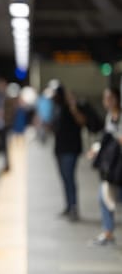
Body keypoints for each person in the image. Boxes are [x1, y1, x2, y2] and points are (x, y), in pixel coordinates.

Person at [89, 87, 121, 246]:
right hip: (113, 166)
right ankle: (108, 233)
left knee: (108, 196)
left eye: (108, 98)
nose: (105, 102)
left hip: (118, 165)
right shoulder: (110, 117)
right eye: (104, 98)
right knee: (104, 196)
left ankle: (108, 233)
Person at [52, 85, 86, 221]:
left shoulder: (74, 108)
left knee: (69, 178)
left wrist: (73, 107)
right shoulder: (57, 108)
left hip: (71, 149)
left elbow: (82, 122)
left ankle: (73, 207)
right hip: (59, 149)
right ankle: (68, 205)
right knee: (65, 178)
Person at [0, 79, 14, 172]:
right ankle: (6, 164)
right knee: (3, 145)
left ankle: (7, 164)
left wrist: (3, 114)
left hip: (5, 124)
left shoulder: (7, 98)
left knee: (5, 145)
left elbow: (11, 111)